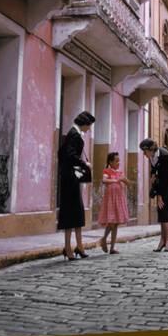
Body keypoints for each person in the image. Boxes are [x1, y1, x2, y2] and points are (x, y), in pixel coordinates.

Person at [57, 110, 95, 261]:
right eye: (89, 125)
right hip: (69, 179)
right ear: (84, 124)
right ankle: (68, 247)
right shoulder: (74, 134)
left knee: (77, 212)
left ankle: (79, 246)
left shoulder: (74, 133)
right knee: (69, 213)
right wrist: (84, 163)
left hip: (72, 177)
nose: (89, 128)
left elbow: (62, 153)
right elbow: (68, 155)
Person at [139, 138, 168, 252]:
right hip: (162, 183)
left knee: (165, 209)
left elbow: (165, 177)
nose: (143, 154)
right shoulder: (152, 156)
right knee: (161, 211)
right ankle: (162, 240)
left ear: (150, 149)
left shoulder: (164, 155)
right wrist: (153, 176)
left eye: (144, 151)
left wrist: (160, 195)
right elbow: (155, 170)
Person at [98, 152, 132, 255]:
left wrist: (124, 179)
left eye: (119, 160)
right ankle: (104, 239)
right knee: (111, 222)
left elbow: (128, 183)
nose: (118, 162)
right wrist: (116, 179)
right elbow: (104, 180)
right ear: (110, 162)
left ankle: (112, 247)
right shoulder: (107, 171)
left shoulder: (120, 172)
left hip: (118, 198)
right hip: (110, 199)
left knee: (116, 223)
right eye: (116, 161)